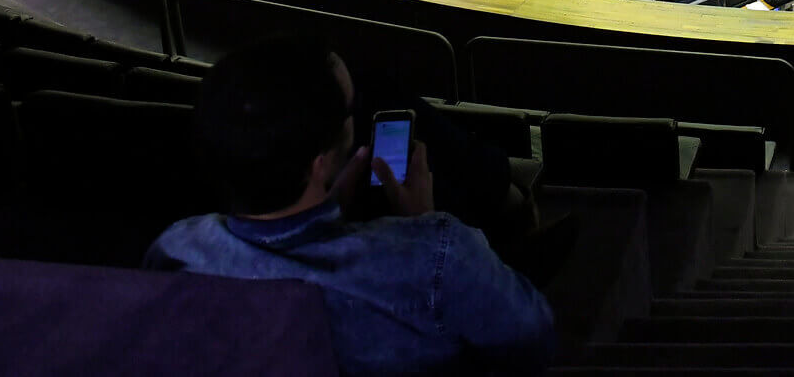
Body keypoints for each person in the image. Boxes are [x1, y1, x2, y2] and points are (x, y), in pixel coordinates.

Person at [145, 38, 556, 376]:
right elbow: (533, 339)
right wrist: (427, 227)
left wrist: (332, 206)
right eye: (349, 109)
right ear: (320, 161)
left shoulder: (176, 248)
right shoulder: (437, 255)